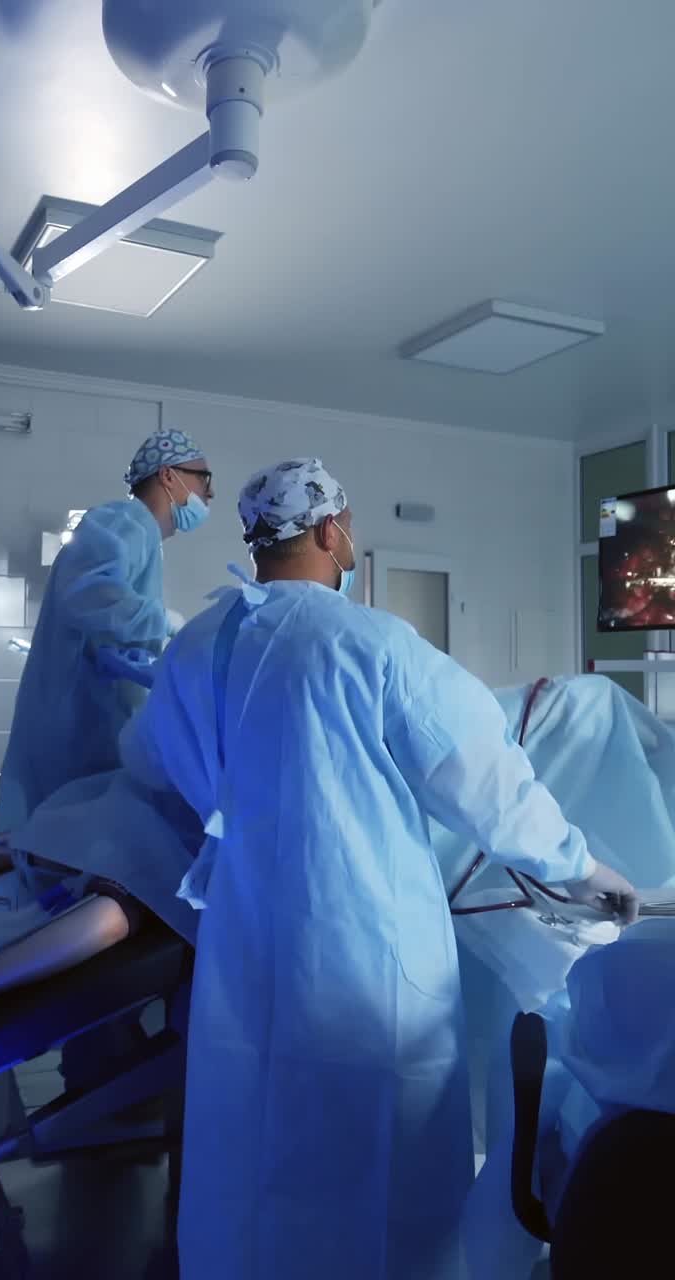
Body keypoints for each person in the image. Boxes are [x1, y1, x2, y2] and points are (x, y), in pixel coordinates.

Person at [118, 457, 640, 1280]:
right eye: (349, 527)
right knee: (375, 1178)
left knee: (248, 1162)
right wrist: (588, 874)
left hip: (243, 956)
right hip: (365, 962)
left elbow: (147, 762)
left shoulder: (192, 649)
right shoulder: (370, 644)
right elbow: (489, 784)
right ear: (331, 531)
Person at [0, 427, 215, 830]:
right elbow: (88, 594)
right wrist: (164, 623)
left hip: (87, 738)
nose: (210, 493)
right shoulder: (126, 519)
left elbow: (110, 640)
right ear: (169, 476)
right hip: (76, 740)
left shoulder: (142, 536)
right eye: (204, 478)